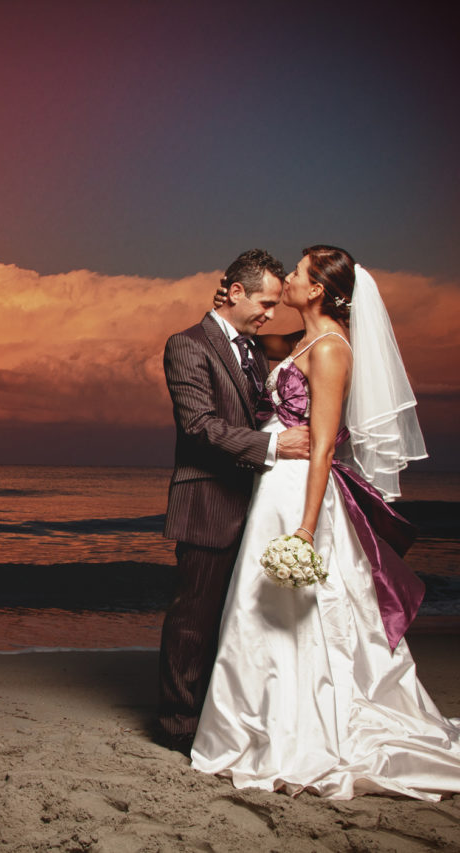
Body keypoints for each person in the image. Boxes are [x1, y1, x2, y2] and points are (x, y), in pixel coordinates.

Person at [190, 245, 460, 799]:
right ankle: (254, 728)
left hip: (301, 494)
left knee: (302, 616)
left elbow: (325, 447)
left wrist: (306, 530)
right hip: (273, 487)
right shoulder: (300, 340)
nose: (289, 283)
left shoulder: (330, 350)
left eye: (299, 274)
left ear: (318, 290)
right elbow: (243, 350)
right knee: (262, 614)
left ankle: (299, 732)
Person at [156, 249, 311, 751]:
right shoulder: (187, 345)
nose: (270, 313)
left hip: (255, 504)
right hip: (207, 503)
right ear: (236, 292)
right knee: (194, 619)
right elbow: (199, 428)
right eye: (265, 302)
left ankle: (219, 717)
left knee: (236, 620)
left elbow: (314, 338)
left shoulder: (257, 348)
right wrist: (274, 445)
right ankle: (178, 725)